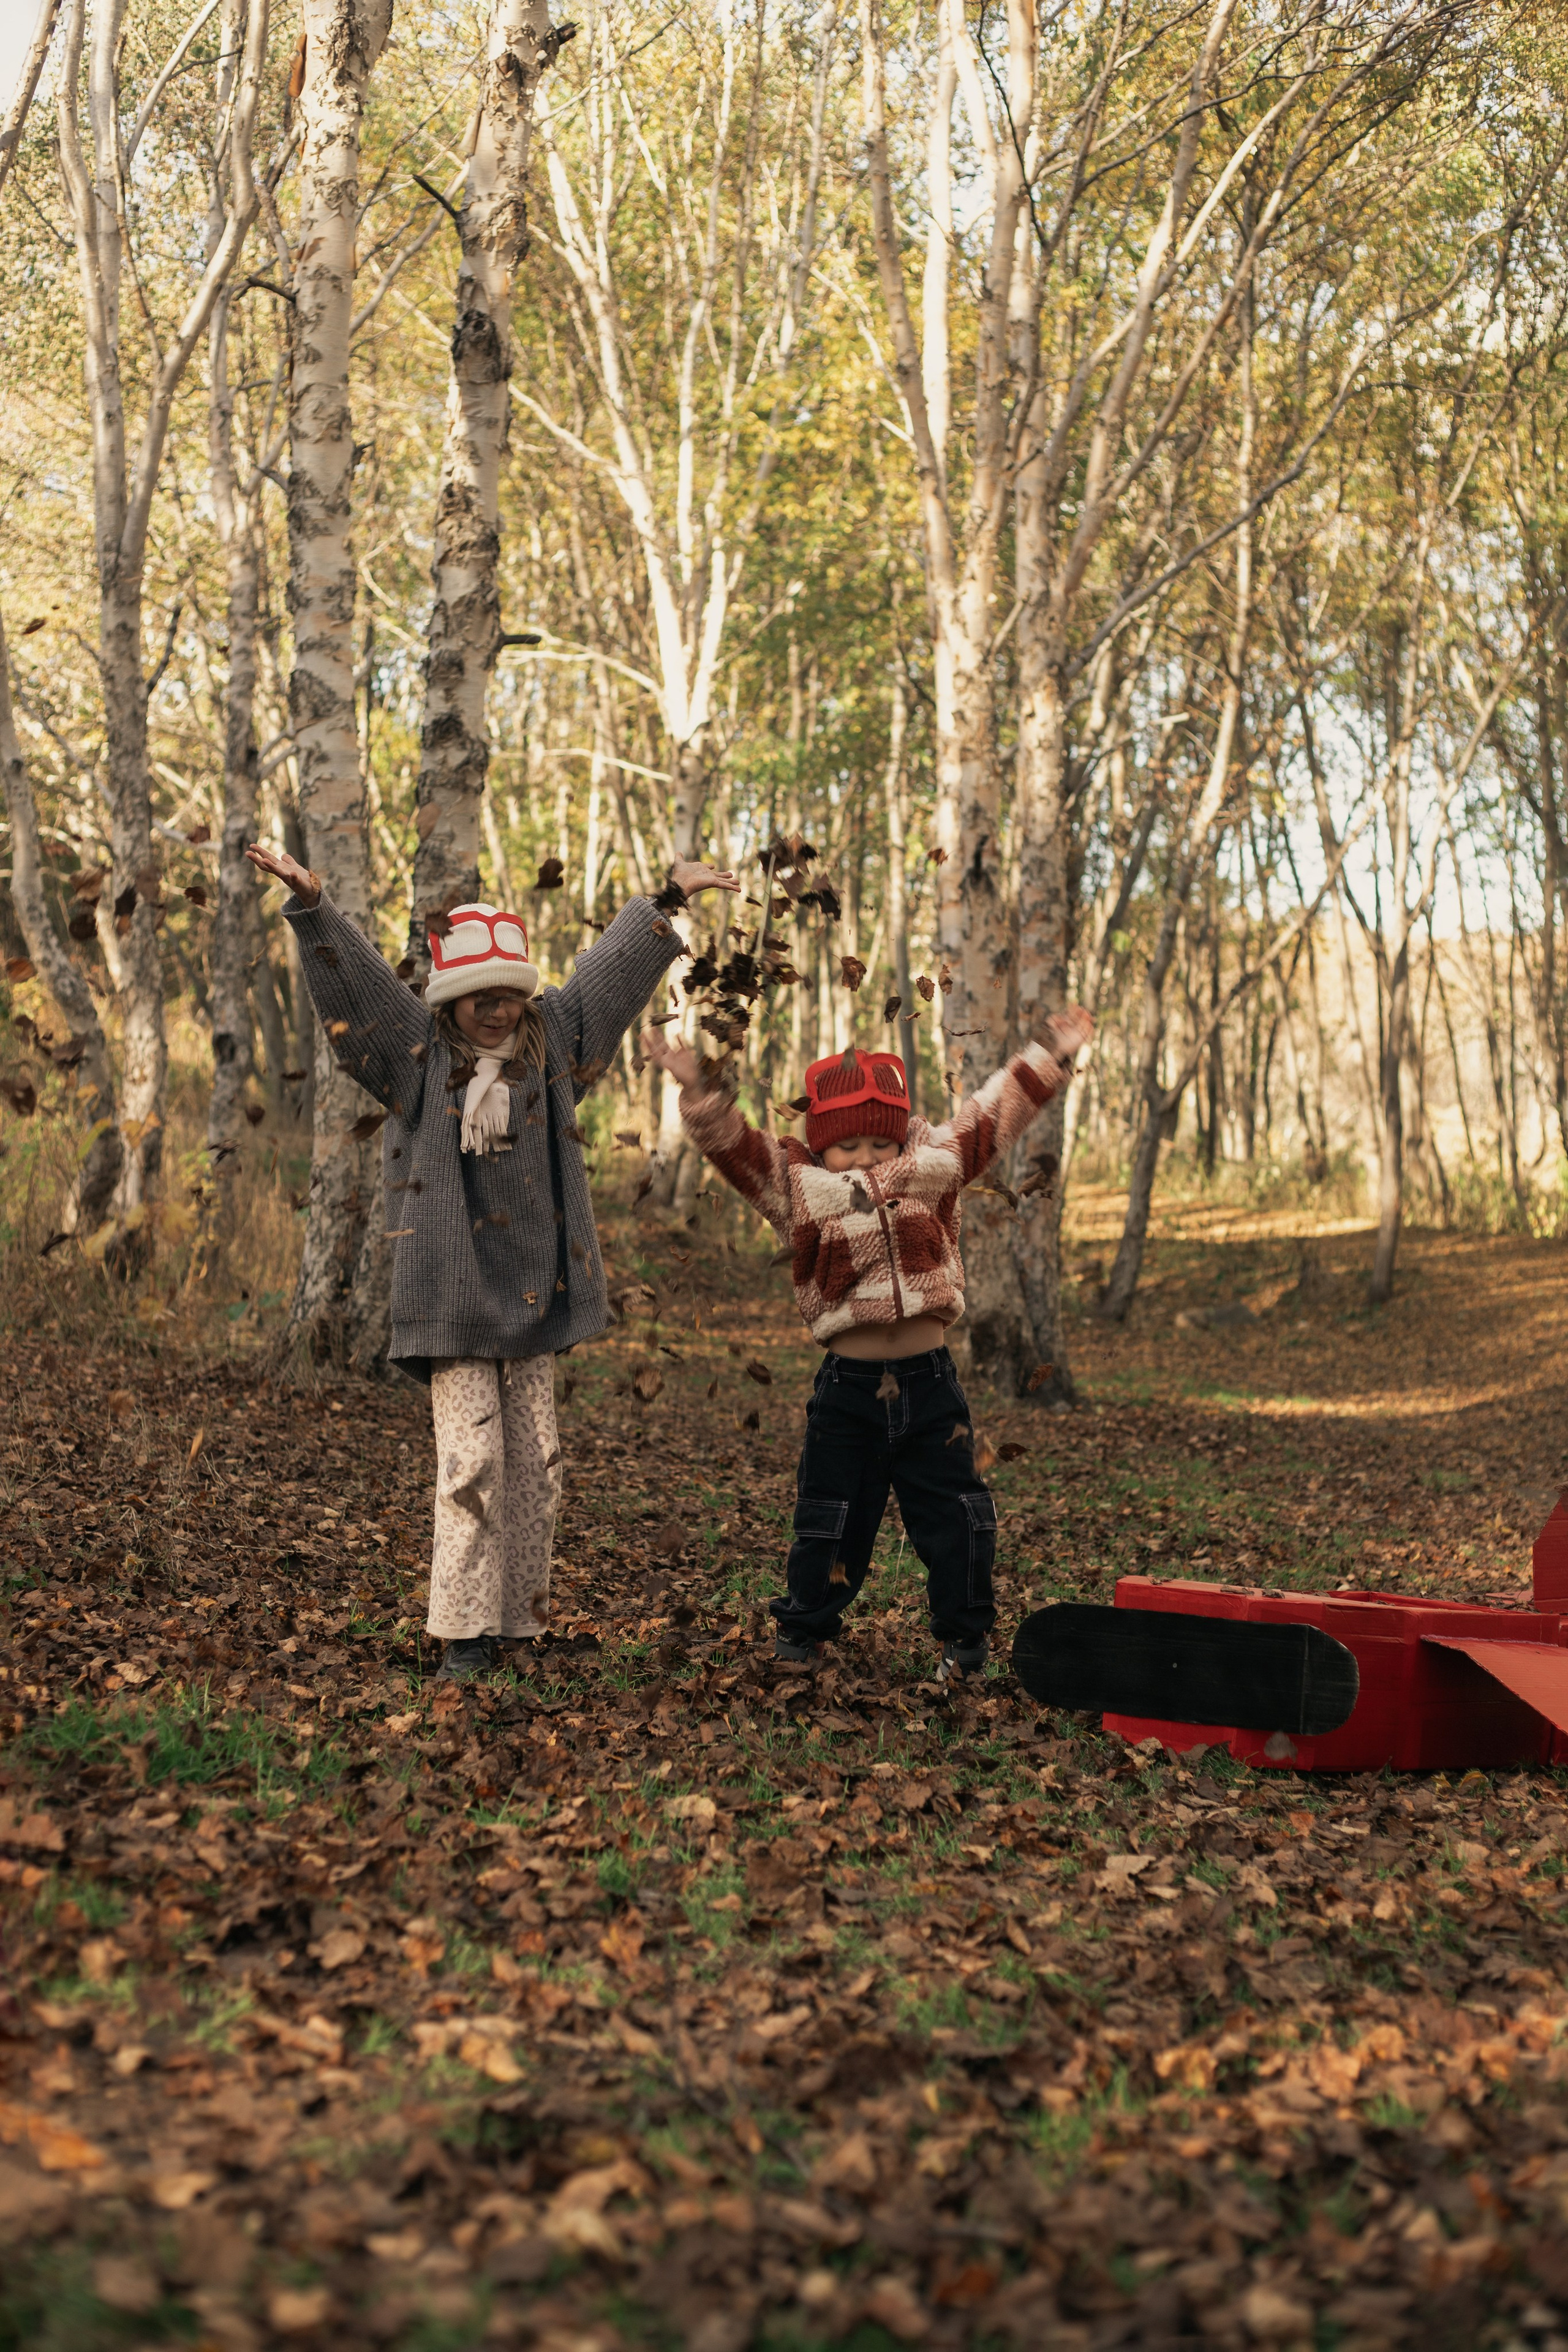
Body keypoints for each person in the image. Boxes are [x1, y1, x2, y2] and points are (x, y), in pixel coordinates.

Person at [245, 843, 738, 1679]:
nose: (499, 1011)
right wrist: (313, 906)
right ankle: (463, 1634)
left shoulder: (553, 1052)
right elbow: (360, 991)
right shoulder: (415, 1059)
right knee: (472, 1461)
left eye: (512, 994)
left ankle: (519, 1622)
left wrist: (665, 902)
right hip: (453, 1294)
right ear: (452, 1000)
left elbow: (607, 983)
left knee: (537, 1463)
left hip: (533, 1291)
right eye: (482, 997)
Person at [642, 1012, 1092, 1678]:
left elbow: (998, 1111)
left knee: (958, 1517)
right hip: (848, 1391)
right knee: (830, 1519)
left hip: (930, 1386)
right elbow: (734, 1149)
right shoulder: (798, 1187)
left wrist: (1051, 1053)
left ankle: (964, 1644)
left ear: (900, 1136)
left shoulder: (937, 1162)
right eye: (845, 1145)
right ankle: (803, 1634)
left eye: (878, 1144)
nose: (864, 1158)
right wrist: (701, 1091)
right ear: (821, 1147)